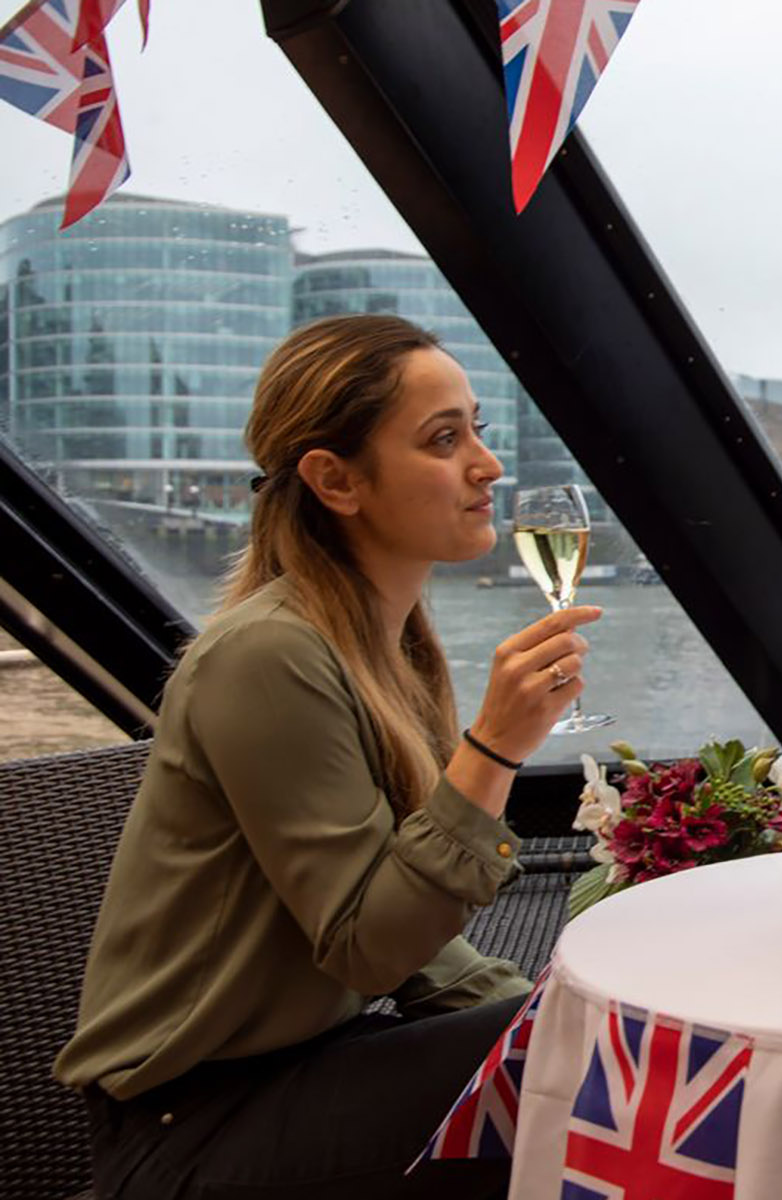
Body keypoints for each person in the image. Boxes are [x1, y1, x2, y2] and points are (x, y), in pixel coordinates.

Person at [55, 314, 603, 1198]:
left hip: (316, 1062)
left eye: (477, 431)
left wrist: (538, 1000)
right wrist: (497, 747)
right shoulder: (266, 655)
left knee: (596, 1036)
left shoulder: (394, 648)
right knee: (597, 1064)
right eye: (443, 438)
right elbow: (368, 947)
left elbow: (410, 941)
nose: (487, 466)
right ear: (334, 480)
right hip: (192, 1129)